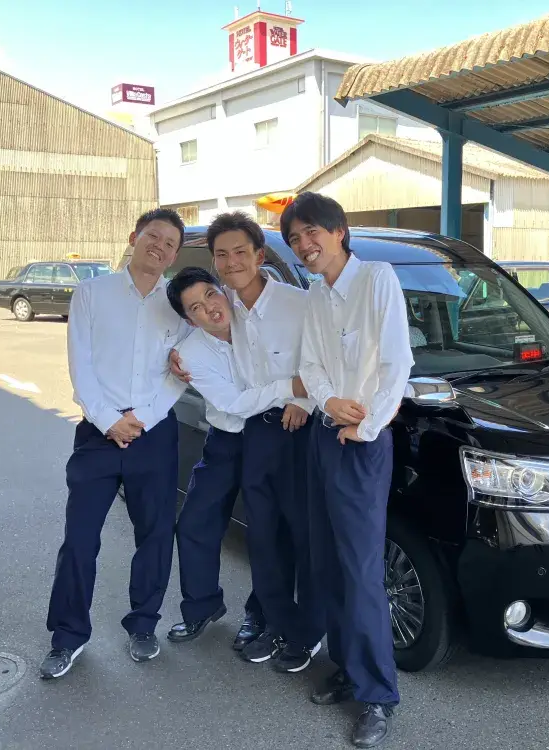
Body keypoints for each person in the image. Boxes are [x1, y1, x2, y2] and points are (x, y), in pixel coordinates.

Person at [280, 192, 413, 748]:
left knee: (360, 572)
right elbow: (309, 363)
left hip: (361, 443)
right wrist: (329, 401)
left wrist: (368, 424)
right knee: (326, 561)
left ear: (339, 231)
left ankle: (378, 694)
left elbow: (398, 362)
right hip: (324, 435)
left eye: (311, 232)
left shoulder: (377, 279)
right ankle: (347, 666)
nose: (304, 245)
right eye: (294, 239)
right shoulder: (316, 294)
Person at [41, 208, 190, 680]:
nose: (160, 247)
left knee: (155, 535)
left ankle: (143, 623)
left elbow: (178, 375)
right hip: (98, 433)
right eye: (153, 236)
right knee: (80, 539)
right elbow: (80, 366)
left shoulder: (178, 305)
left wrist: (140, 420)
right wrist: (109, 421)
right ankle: (67, 636)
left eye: (169, 243)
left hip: (154, 432)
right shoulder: (92, 293)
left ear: (174, 254)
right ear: (134, 237)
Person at [201, 211, 324, 673]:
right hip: (256, 430)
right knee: (265, 537)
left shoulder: (299, 303)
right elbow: (190, 327)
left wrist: (305, 400)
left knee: (305, 536)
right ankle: (276, 622)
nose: (232, 261)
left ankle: (309, 633)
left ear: (259, 255)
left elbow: (323, 358)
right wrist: (177, 356)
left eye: (240, 251)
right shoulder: (224, 307)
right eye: (222, 255)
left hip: (299, 430)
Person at [164, 267, 309, 655]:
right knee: (195, 521)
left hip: (275, 435)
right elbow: (233, 403)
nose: (210, 308)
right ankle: (202, 605)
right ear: (188, 319)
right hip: (227, 439)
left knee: (268, 531)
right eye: (196, 308)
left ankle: (259, 614)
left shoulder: (253, 317)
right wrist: (288, 389)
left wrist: (300, 397)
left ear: (222, 290)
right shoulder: (190, 353)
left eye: (210, 295)